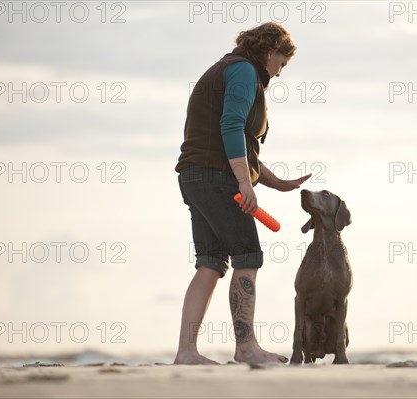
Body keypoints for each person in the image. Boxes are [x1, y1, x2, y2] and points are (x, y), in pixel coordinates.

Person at [174, 22, 311, 365]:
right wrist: (244, 183)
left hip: (197, 177)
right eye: (281, 63)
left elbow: (232, 145)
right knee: (247, 256)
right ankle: (246, 347)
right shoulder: (244, 73)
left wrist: (274, 181)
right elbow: (231, 126)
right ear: (269, 52)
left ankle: (187, 353)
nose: (279, 74)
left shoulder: (229, 68)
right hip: (217, 179)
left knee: (210, 263)